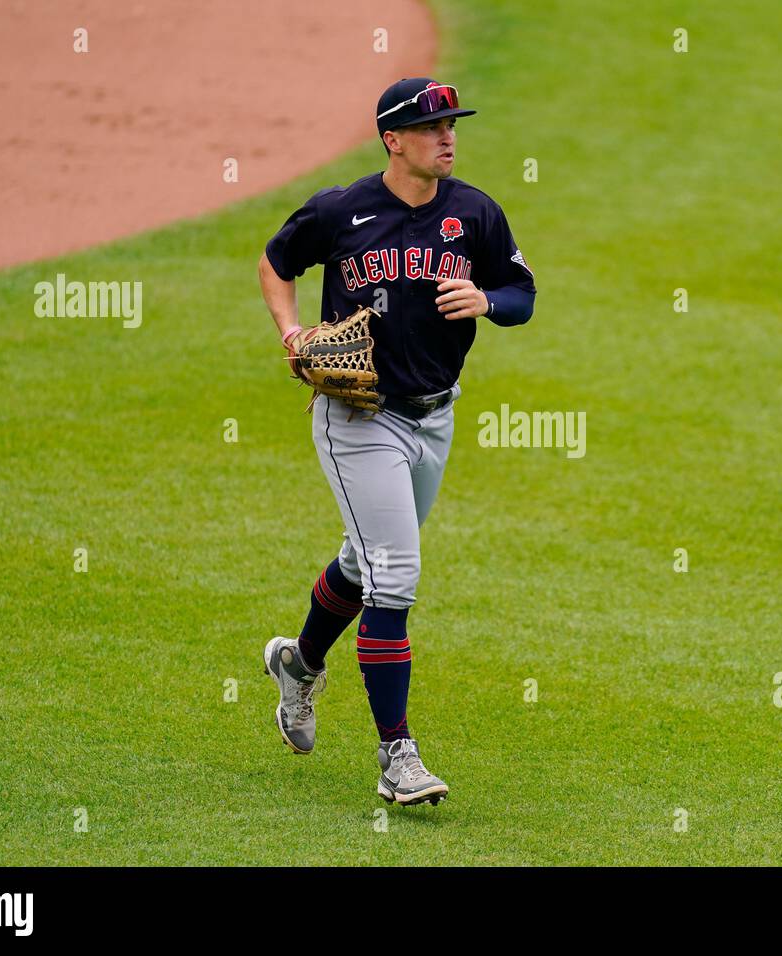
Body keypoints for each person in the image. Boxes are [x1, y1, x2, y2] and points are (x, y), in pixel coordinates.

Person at [257, 78, 536, 805]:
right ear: (393, 139)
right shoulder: (342, 211)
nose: (447, 137)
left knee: (364, 560)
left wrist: (486, 299)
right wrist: (291, 331)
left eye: (452, 125)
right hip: (359, 421)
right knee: (396, 576)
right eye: (433, 126)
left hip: (435, 417)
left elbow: (521, 294)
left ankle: (300, 662)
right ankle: (396, 757)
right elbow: (276, 262)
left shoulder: (474, 212)